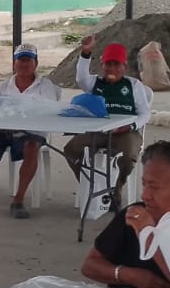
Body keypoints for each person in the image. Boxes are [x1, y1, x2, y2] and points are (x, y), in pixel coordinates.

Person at [81, 140, 170, 288]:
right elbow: (89, 266)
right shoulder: (133, 216)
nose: (145, 195)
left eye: (155, 187)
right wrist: (129, 276)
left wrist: (148, 236)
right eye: (144, 185)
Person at [0, 42, 60, 219]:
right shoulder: (3, 86)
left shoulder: (45, 86)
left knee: (31, 147)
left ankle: (18, 201)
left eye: (28, 60)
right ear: (14, 63)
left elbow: (49, 111)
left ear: (36, 63)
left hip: (31, 133)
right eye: (20, 60)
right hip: (2, 131)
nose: (24, 64)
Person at [62, 41, 152, 210]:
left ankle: (115, 190)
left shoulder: (133, 85)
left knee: (127, 156)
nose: (112, 69)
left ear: (124, 67)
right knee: (71, 150)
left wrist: (130, 126)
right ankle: (92, 186)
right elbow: (81, 78)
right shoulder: (94, 83)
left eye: (116, 65)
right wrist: (86, 53)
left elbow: (145, 114)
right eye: (108, 65)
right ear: (102, 66)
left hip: (125, 131)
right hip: (98, 130)